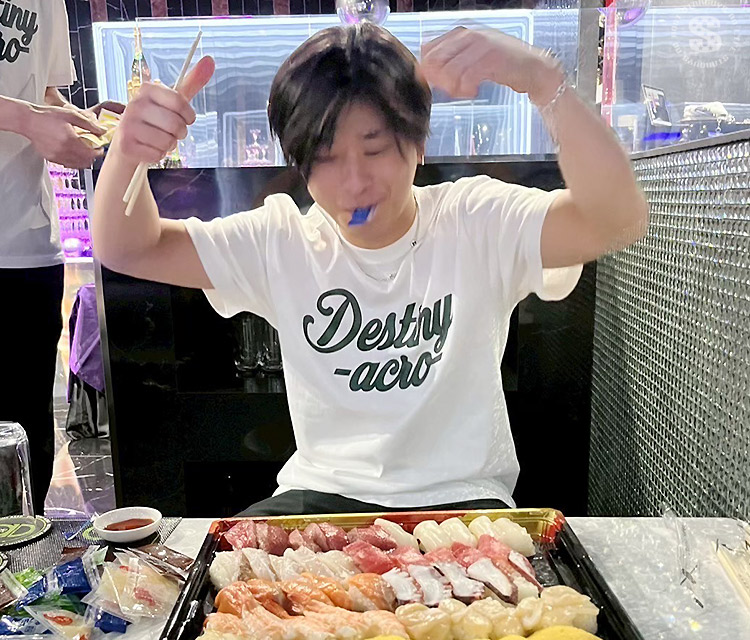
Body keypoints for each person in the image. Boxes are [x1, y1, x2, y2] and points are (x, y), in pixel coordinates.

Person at [92, 24, 648, 517]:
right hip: (320, 498)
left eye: (375, 148)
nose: (353, 183)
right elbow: (130, 249)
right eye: (325, 157)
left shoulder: (475, 220)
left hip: (461, 501)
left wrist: (543, 82)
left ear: (418, 142)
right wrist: (128, 153)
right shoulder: (282, 239)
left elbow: (614, 220)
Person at [0, 0, 112, 513]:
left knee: (26, 437)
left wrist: (84, 123)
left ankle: (25, 553)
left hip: (30, 242)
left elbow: (40, 91)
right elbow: (28, 112)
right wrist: (28, 120)